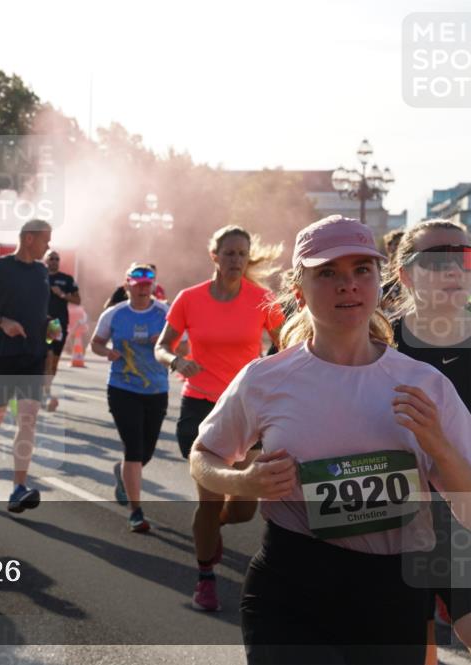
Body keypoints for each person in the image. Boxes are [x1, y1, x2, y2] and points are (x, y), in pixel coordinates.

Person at [189, 215, 471, 664]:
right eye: (328, 273)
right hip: (292, 585)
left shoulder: (425, 384)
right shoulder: (265, 379)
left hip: (391, 593)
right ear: (298, 291)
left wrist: (437, 444)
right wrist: (244, 483)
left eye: (362, 270)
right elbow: (203, 455)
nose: (349, 285)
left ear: (380, 282)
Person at [154, 225, 284, 612]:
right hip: (200, 406)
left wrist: (273, 371)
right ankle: (205, 575)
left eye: (242, 254)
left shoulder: (262, 299)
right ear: (214, 256)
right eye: (229, 253)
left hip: (244, 409)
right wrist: (177, 360)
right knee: (209, 502)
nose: (236, 261)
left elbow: (286, 342)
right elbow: (162, 346)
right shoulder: (189, 299)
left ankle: (208, 534)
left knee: (243, 509)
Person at [390, 220, 471, 659]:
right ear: (405, 274)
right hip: (390, 520)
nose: (453, 270)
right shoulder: (375, 342)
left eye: (463, 258)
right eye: (436, 260)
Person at [0, 219, 53, 512]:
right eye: (45, 239)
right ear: (29, 239)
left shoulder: (42, 271)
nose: (49, 246)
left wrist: (48, 327)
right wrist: (3, 322)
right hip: (3, 354)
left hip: (33, 355)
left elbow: (36, 309)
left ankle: (18, 487)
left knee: (27, 417)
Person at [90, 263, 171, 532]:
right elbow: (96, 343)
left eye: (148, 281)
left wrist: (164, 342)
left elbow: (183, 344)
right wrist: (107, 353)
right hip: (122, 388)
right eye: (137, 281)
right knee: (134, 448)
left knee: (145, 451)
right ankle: (136, 511)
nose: (143, 285)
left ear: (153, 285)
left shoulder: (164, 312)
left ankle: (124, 473)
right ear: (127, 285)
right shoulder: (114, 314)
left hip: (156, 390)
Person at [44, 250, 81, 412]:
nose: (54, 261)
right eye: (51, 258)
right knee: (47, 355)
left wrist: (63, 294)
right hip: (41, 322)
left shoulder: (66, 279)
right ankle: (45, 393)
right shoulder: (39, 276)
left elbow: (78, 300)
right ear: (45, 260)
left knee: (54, 362)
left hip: (58, 324)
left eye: (56, 259)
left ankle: (45, 387)